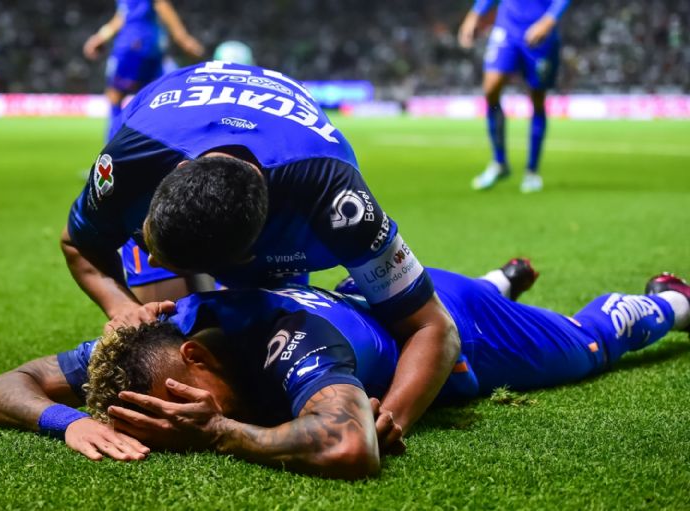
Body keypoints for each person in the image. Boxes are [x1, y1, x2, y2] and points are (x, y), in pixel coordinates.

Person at [0, 262, 690, 479]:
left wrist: (219, 430)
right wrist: (66, 421)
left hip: (459, 331)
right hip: (367, 311)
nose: (173, 416)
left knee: (587, 345)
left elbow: (351, 447)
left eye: (172, 401)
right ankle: (498, 279)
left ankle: (667, 300)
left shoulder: (291, 343)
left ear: (196, 358)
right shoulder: (156, 334)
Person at [61, 61, 460, 435]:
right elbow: (76, 245)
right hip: (170, 126)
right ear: (179, 172)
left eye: (166, 257)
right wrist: (123, 308)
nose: (150, 258)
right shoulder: (132, 159)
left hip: (289, 178)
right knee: (166, 343)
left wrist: (389, 420)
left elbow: (432, 325)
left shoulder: (338, 201)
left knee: (271, 344)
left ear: (248, 259)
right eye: (148, 238)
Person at [458, 0, 570, 193]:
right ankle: (499, 162)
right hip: (507, 27)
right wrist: (475, 13)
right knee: (491, 90)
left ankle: (532, 171)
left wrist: (549, 20)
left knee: (537, 99)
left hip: (539, 28)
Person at [83, 0, 204, 141]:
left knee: (115, 96)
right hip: (152, 45)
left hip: (131, 44)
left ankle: (113, 146)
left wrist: (182, 38)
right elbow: (123, 14)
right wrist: (101, 36)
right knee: (157, 94)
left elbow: (161, 4)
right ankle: (170, 140)